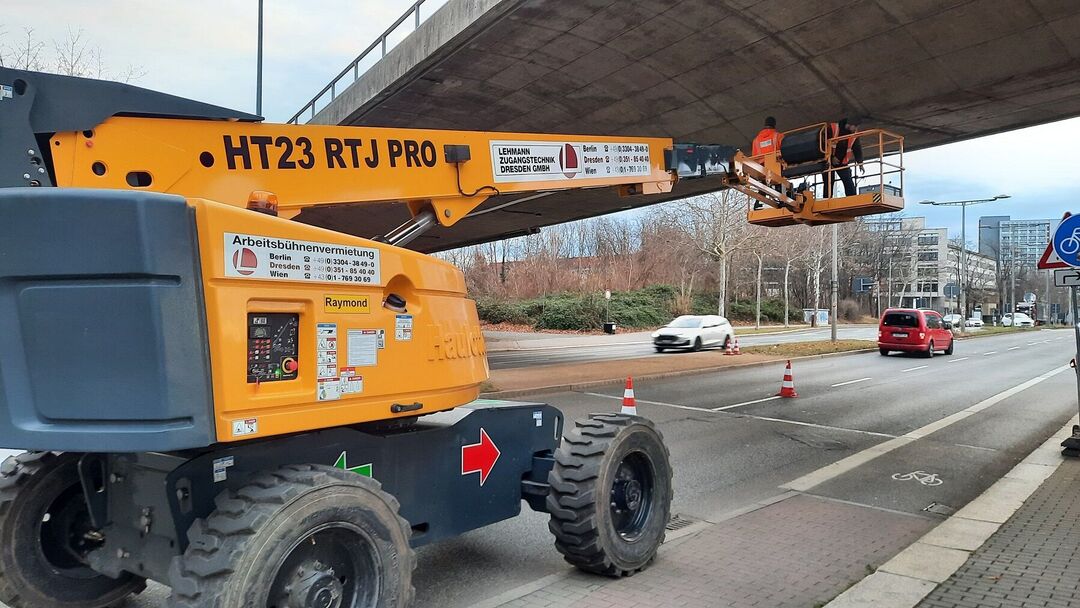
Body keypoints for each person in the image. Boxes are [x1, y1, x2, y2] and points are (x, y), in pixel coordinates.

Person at [824, 118, 864, 198]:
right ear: (849, 125)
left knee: (848, 181)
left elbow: (857, 148)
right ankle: (826, 200)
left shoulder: (854, 135)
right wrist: (831, 157)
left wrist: (860, 163)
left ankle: (852, 199)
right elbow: (822, 144)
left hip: (842, 162)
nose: (856, 129)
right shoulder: (833, 128)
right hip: (828, 160)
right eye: (855, 127)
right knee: (828, 182)